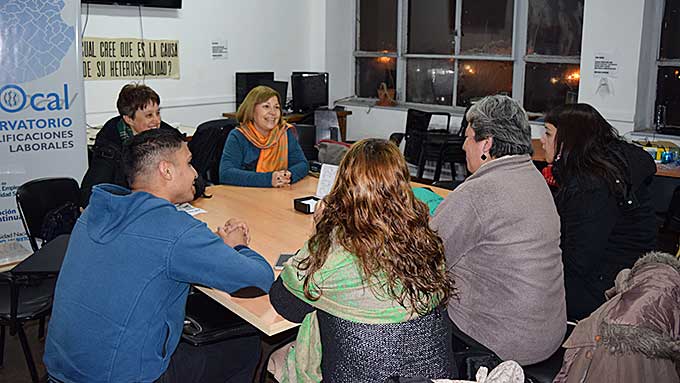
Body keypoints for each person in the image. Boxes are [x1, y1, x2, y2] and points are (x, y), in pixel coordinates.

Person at [44, 129, 275, 383]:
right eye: (188, 163)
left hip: (61, 367)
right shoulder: (176, 232)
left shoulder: (95, 211)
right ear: (166, 170)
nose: (196, 173)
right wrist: (237, 246)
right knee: (245, 346)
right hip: (120, 377)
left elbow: (146, 250)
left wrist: (207, 245)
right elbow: (259, 279)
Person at [269, 139, 455, 382]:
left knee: (276, 358)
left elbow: (285, 304)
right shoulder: (428, 245)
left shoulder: (332, 257)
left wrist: (320, 236)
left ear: (343, 191)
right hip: (437, 378)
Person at [431, 95, 566, 366]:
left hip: (500, 346)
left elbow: (425, 256)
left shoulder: (478, 193)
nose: (464, 145)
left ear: (487, 144)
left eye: (469, 137)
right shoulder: (534, 178)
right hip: (546, 335)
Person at [541, 103, 657, 321]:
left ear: (569, 140)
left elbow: (579, 258)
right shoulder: (604, 166)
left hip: (608, 287)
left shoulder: (591, 186)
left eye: (548, 133)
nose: (542, 140)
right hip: (626, 272)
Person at [80, 83, 177, 207]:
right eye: (149, 115)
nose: (157, 121)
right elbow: (89, 196)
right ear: (129, 119)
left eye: (157, 113)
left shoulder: (168, 136)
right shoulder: (110, 146)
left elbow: (193, 179)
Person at [219, 85, 309, 187]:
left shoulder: (284, 133)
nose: (273, 113)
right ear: (252, 110)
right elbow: (226, 174)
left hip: (280, 194)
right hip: (247, 197)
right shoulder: (238, 136)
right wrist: (269, 179)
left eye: (277, 107)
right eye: (266, 106)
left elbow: (302, 164)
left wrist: (288, 176)